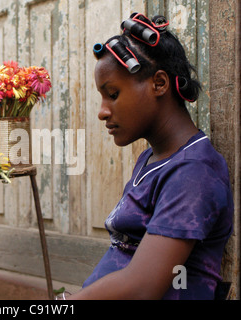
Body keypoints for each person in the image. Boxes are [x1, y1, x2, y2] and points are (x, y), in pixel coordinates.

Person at [68, 13, 234, 300]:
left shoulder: (193, 174)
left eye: (113, 94)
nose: (102, 111)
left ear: (159, 84)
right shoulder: (151, 158)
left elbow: (143, 286)